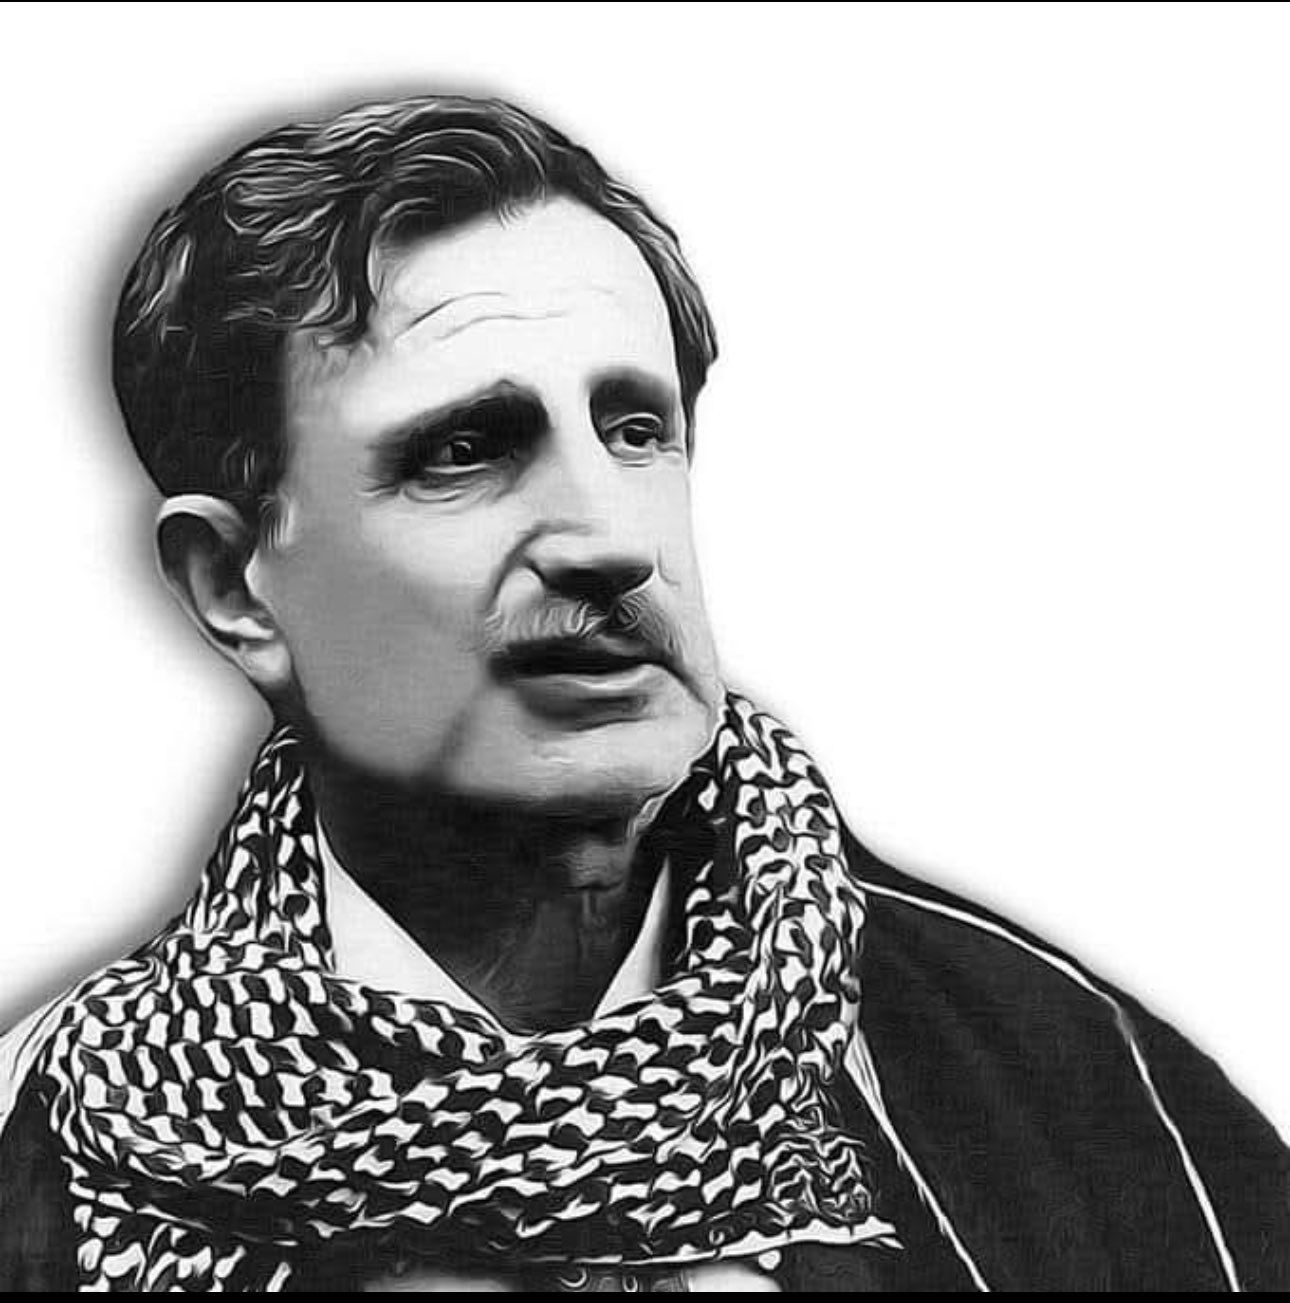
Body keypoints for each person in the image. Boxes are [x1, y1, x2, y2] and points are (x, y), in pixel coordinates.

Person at [0, 93, 1285, 1294]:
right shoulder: (54, 1146)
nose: (612, 539)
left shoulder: (1072, 1084)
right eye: (465, 449)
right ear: (233, 584)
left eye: (636, 430)